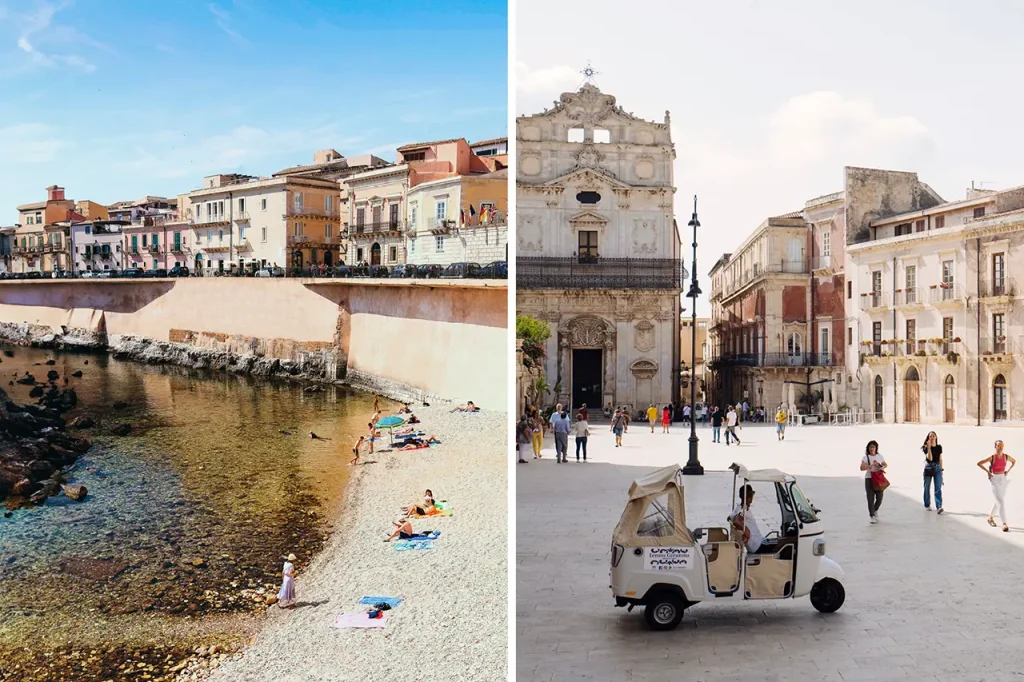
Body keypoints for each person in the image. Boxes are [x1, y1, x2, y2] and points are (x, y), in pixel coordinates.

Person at [979, 440, 1015, 532]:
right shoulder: (992, 457)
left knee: (999, 501)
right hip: (994, 479)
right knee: (1001, 501)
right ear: (995, 447)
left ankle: (990, 518)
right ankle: (1004, 523)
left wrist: (1008, 470)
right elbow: (979, 463)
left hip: (1003, 479)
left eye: (1002, 445)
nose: (1000, 447)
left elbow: (1014, 461)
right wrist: (988, 472)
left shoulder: (1006, 456)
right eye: (998, 445)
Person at [728, 485, 764, 553]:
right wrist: (746, 529)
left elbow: (730, 517)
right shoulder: (743, 510)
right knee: (783, 543)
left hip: (758, 542)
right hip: (757, 545)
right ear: (749, 497)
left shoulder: (739, 508)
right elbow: (736, 521)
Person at [860, 440, 887, 524]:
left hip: (878, 478)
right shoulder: (866, 457)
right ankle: (872, 515)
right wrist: (869, 466)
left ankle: (875, 510)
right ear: (868, 448)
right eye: (870, 447)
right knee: (870, 498)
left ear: (876, 448)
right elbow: (861, 468)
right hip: (869, 478)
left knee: (880, 497)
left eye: (873, 447)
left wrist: (881, 466)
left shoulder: (879, 456)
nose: (872, 448)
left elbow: (885, 464)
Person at [922, 431, 944, 513]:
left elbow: (941, 459)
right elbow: (930, 458)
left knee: (938, 487)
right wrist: (929, 448)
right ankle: (927, 504)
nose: (931, 437)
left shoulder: (939, 447)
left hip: (937, 467)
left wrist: (941, 470)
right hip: (929, 467)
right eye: (930, 436)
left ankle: (939, 506)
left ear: (936, 437)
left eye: (933, 436)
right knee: (927, 487)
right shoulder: (925, 447)